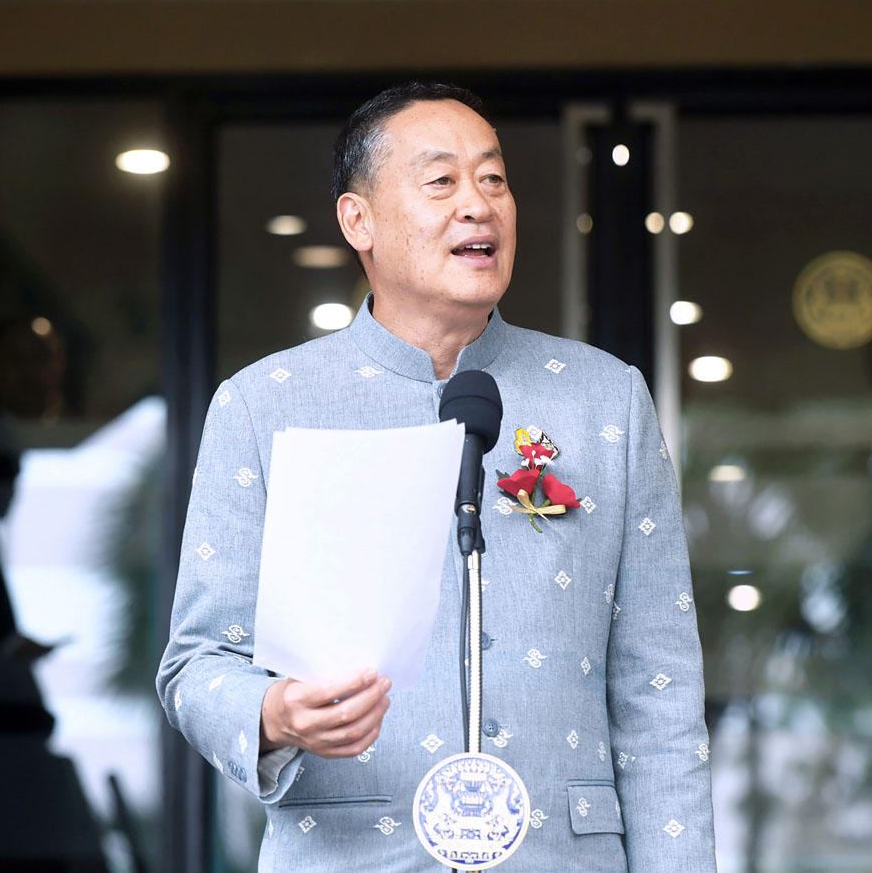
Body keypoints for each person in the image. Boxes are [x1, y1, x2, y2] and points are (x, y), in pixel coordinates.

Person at [157, 81, 715, 872]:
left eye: (493, 179)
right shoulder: (264, 405)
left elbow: (659, 687)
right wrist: (274, 713)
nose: (478, 205)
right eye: (442, 181)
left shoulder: (604, 399)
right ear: (358, 220)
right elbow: (196, 663)